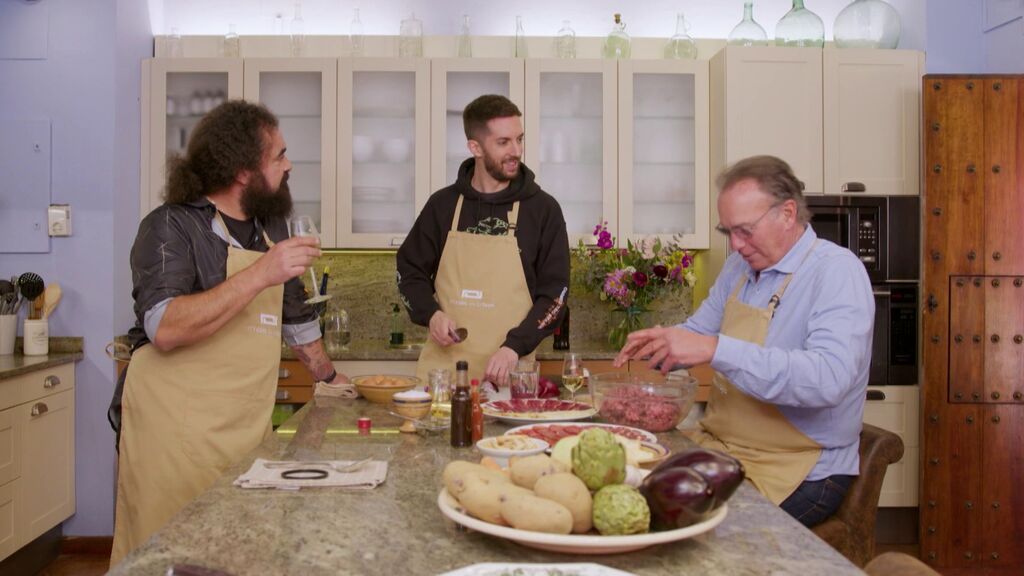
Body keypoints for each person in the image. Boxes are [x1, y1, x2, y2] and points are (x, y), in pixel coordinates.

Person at [108, 100, 349, 565]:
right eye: (278, 155)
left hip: (244, 426)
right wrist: (262, 272)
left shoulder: (269, 225)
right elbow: (164, 326)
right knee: (172, 553)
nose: (289, 164)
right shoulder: (169, 225)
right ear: (243, 171)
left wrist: (328, 376)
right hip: (174, 429)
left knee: (243, 547)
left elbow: (294, 316)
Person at [614, 155, 874, 528]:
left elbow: (828, 380)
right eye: (727, 232)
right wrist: (660, 344)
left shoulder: (836, 271)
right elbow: (699, 332)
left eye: (745, 231)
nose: (735, 245)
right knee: (631, 499)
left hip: (800, 468)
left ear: (787, 213)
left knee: (686, 528)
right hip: (723, 449)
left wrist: (715, 348)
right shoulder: (740, 267)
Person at [397, 94, 569, 386]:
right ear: (475, 147)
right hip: (442, 379)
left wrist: (514, 347)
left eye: (519, 139)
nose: (516, 151)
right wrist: (432, 315)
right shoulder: (442, 206)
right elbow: (408, 271)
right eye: (503, 142)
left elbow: (555, 295)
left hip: (510, 377)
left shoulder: (543, 210)